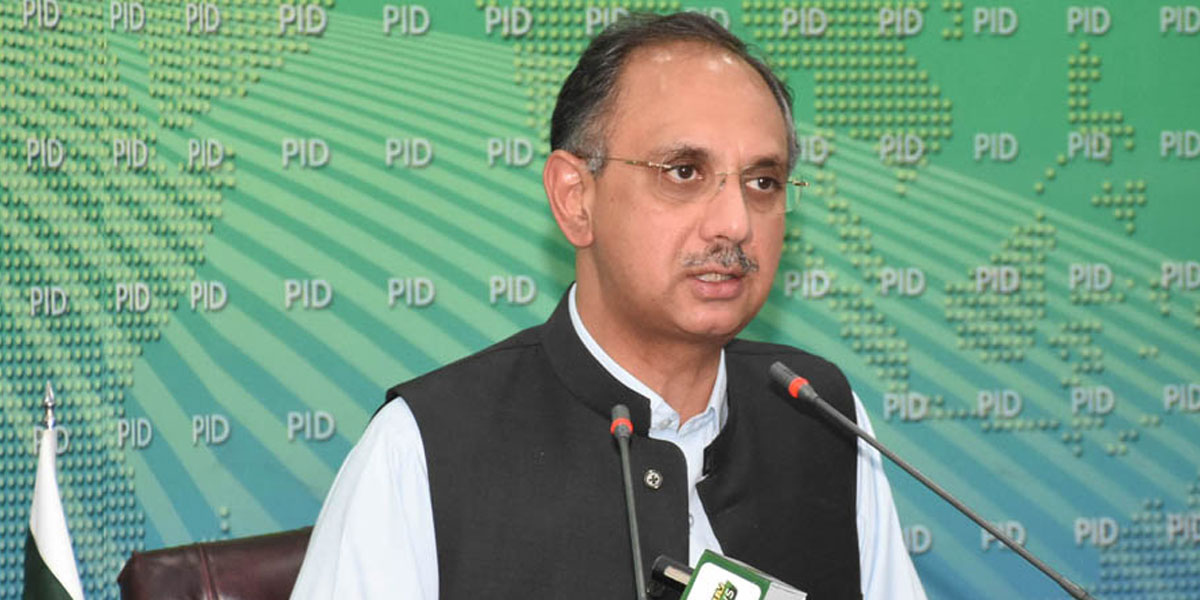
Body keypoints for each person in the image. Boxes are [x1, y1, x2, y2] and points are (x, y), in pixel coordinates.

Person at [292, 12, 925, 600]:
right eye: (683, 172)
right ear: (575, 198)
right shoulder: (422, 448)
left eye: (763, 182)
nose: (735, 223)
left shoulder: (820, 416)